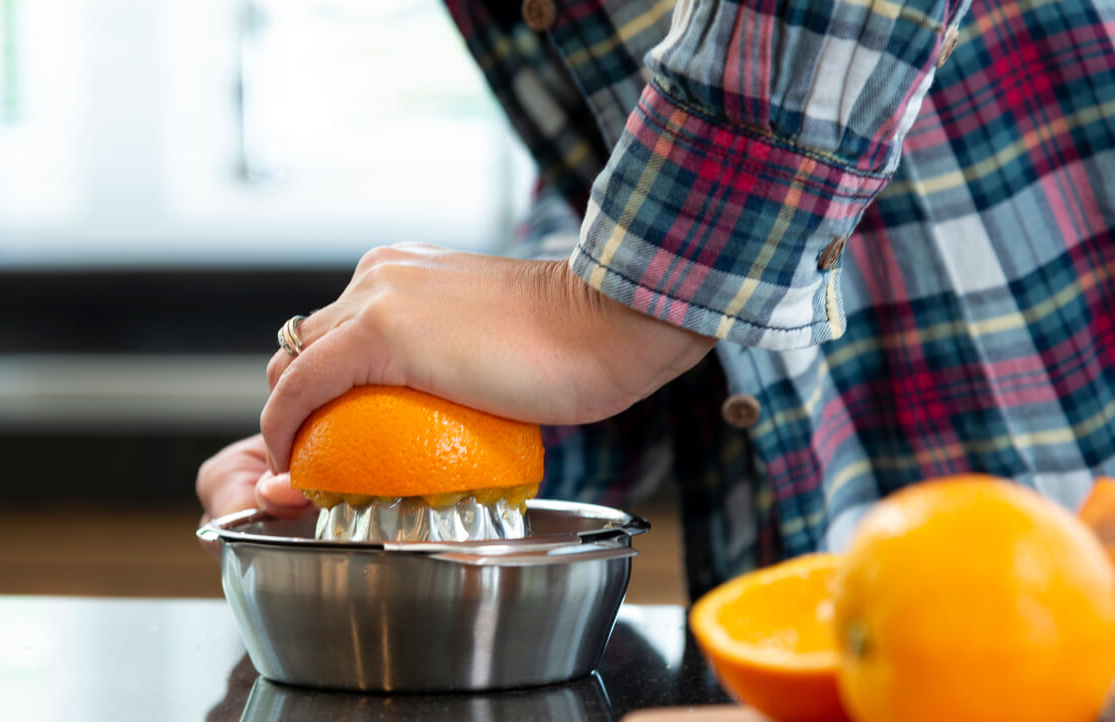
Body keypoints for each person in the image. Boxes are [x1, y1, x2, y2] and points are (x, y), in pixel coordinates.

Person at [197, 0, 1115, 600]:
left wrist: (597, 312)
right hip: (851, 653)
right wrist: (459, 438)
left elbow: (623, 292)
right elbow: (616, 153)